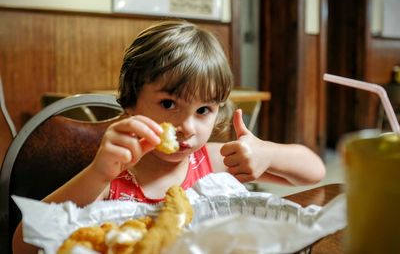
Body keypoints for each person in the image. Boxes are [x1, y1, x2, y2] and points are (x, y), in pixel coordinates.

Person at [13, 20, 325, 253]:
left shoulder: (211, 162)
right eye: (168, 104)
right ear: (131, 101)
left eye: (204, 110)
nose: (187, 127)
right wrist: (98, 173)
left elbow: (314, 172)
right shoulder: (112, 175)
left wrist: (266, 153)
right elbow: (22, 244)